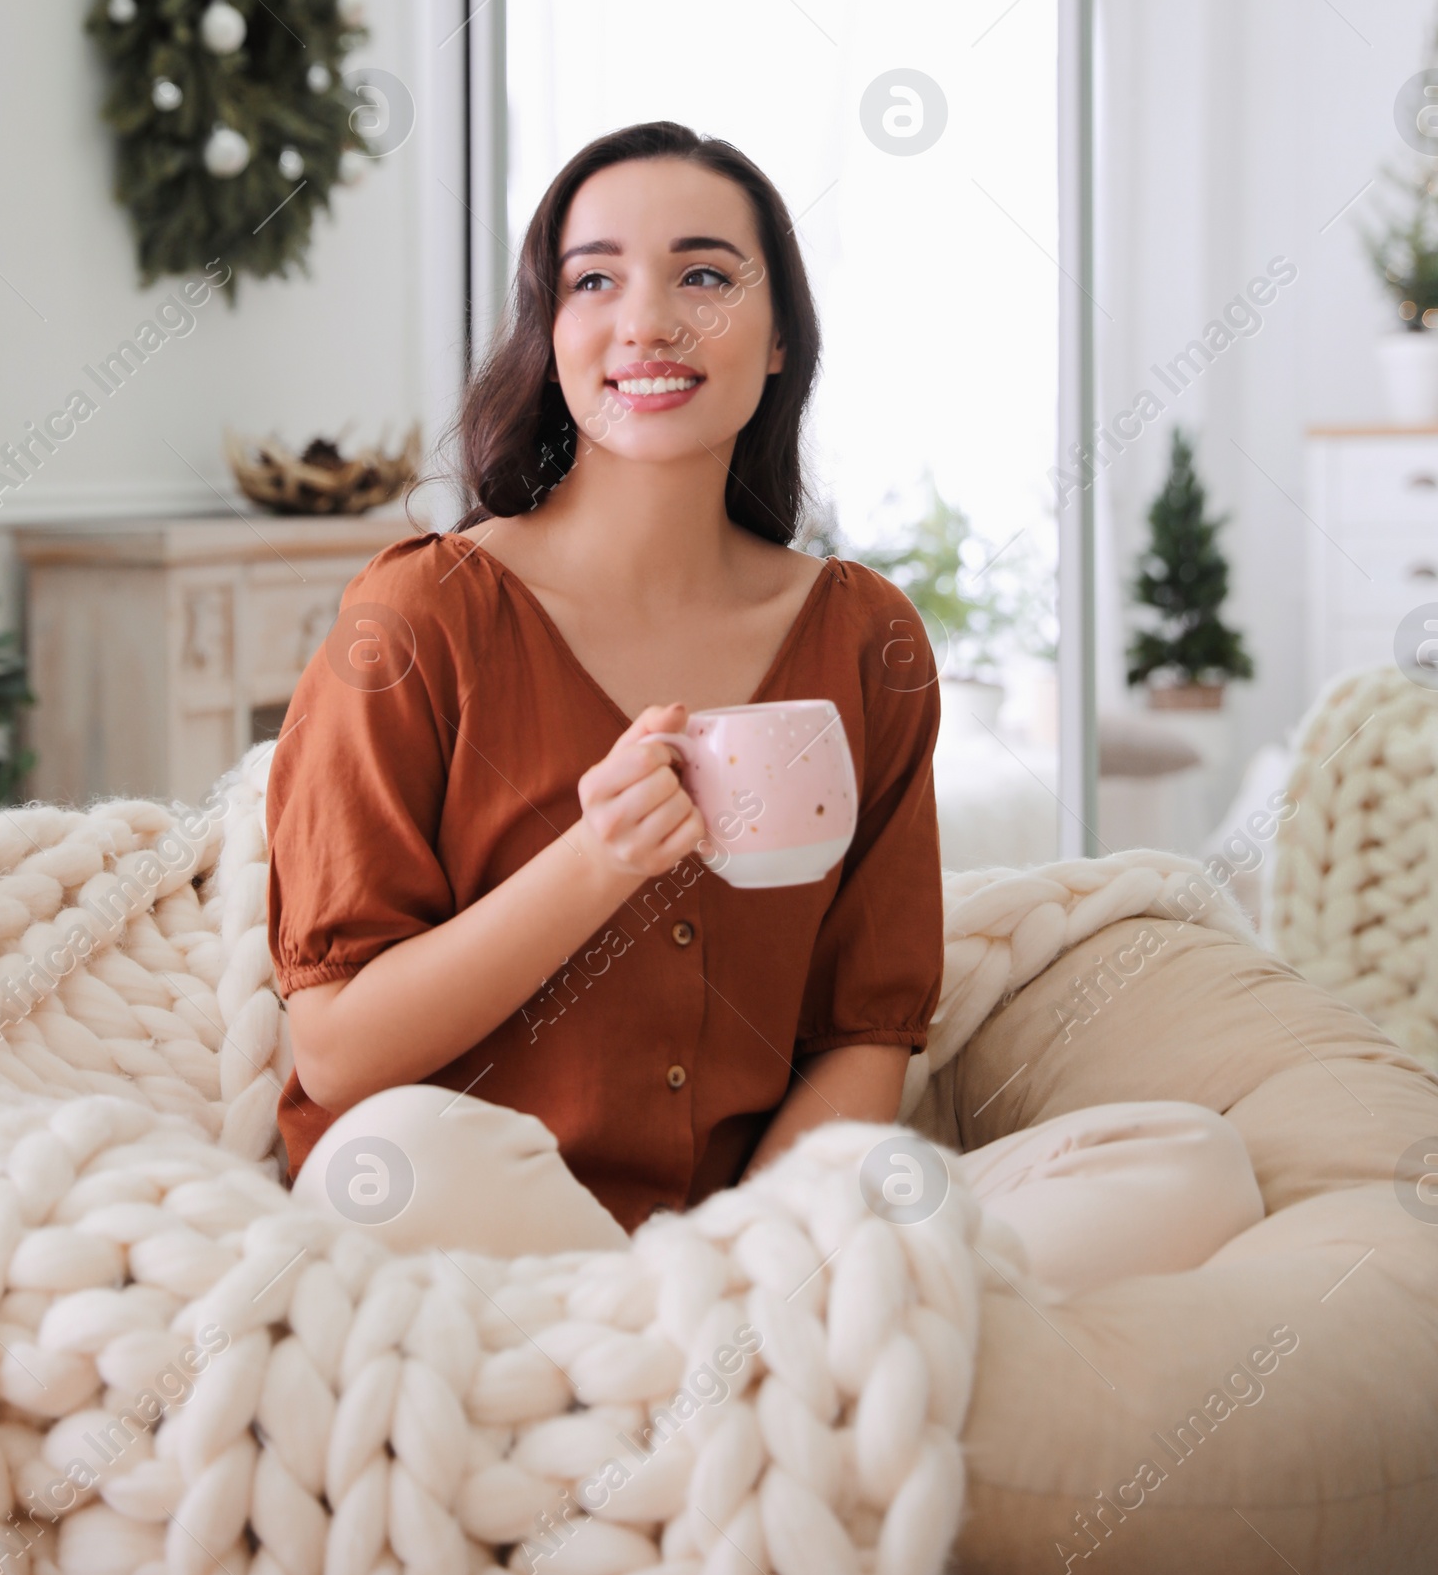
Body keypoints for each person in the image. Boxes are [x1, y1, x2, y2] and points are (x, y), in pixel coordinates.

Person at [269, 121, 1262, 1292]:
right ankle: (774, 1350)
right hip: (482, 1220)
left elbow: (862, 1031)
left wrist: (758, 1248)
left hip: (753, 1241)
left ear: (781, 332)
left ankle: (714, 1341)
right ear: (551, 332)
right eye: (594, 280)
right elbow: (336, 1052)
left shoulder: (863, 636)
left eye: (703, 274)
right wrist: (597, 860)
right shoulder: (418, 617)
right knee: (394, 1159)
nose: (646, 321)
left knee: (1187, 1164)